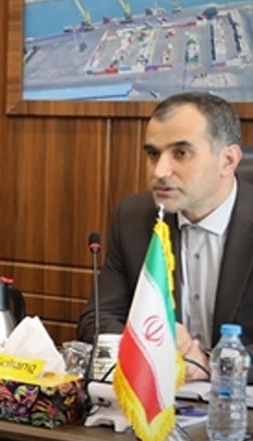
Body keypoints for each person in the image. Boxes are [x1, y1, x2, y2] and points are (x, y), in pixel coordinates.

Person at [77, 91, 253, 383]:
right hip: (158, 394)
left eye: (181, 153)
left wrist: (211, 363)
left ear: (228, 160)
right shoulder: (133, 217)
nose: (160, 171)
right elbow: (96, 320)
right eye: (153, 154)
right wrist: (151, 344)